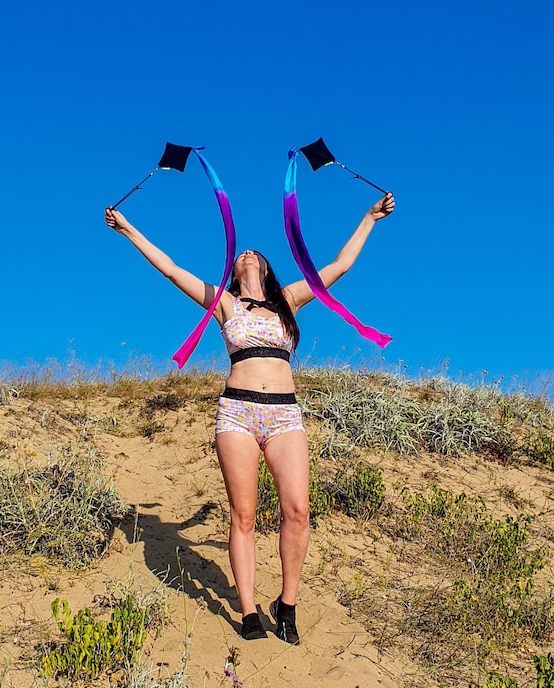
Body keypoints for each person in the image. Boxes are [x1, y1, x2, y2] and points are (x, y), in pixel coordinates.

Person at [104, 192, 395, 644]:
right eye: (241, 253)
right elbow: (170, 268)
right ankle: (248, 610)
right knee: (243, 514)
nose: (246, 253)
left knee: (297, 510)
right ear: (234, 271)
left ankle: (288, 603)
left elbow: (338, 267)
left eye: (254, 253)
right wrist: (128, 230)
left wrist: (370, 218)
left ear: (264, 268)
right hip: (237, 412)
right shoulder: (224, 303)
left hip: (284, 415)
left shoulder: (289, 300)